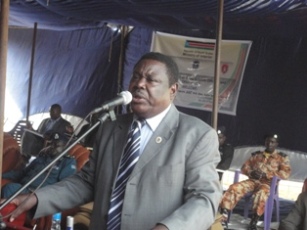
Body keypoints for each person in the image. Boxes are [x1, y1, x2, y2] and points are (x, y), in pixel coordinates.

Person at [4, 52, 222, 230]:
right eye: (136, 77)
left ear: (172, 90)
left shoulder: (197, 135)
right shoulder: (110, 127)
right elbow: (87, 182)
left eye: (151, 80)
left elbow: (204, 198)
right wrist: (36, 199)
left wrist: (168, 228)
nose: (139, 84)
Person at [219, 133, 291, 230]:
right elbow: (244, 167)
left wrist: (267, 175)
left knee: (261, 193)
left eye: (272, 142)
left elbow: (285, 173)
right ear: (265, 142)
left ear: (276, 144)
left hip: (268, 184)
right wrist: (251, 172)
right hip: (253, 181)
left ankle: (254, 221)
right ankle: (223, 218)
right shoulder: (257, 155)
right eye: (267, 141)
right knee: (234, 188)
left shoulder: (281, 158)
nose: (269, 144)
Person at [1, 132, 77, 198]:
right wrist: (2, 175)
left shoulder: (67, 162)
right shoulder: (43, 157)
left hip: (36, 195)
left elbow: (64, 187)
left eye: (56, 145)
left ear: (65, 147)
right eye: (51, 144)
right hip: (23, 187)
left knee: (9, 188)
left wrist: (41, 196)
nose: (52, 147)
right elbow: (23, 172)